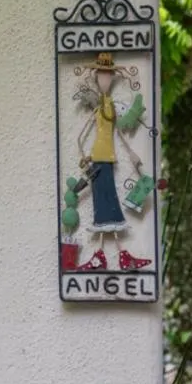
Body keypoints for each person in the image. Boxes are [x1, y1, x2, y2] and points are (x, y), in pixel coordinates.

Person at [73, 52, 152, 272]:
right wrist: (83, 156)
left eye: (108, 76)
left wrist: (132, 154)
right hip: (98, 159)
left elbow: (118, 133)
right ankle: (110, 257)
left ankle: (108, 257)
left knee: (107, 201)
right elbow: (81, 135)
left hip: (106, 159)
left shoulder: (110, 107)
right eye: (101, 76)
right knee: (104, 202)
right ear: (97, 78)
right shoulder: (100, 107)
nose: (105, 80)